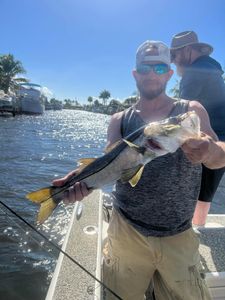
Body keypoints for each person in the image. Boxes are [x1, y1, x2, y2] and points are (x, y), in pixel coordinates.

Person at [53, 40, 225, 300]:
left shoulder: (190, 110)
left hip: (179, 232)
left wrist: (210, 151)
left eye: (159, 68)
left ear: (169, 73)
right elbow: (109, 163)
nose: (152, 74)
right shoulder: (119, 119)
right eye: (145, 68)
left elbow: (219, 156)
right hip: (126, 233)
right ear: (135, 74)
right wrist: (80, 183)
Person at [170, 30, 225, 226]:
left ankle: (189, 235)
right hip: (221, 142)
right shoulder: (213, 70)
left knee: (194, 193)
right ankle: (198, 229)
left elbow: (179, 112)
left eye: (174, 56)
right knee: (205, 195)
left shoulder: (194, 71)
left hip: (206, 140)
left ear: (186, 51)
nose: (174, 61)